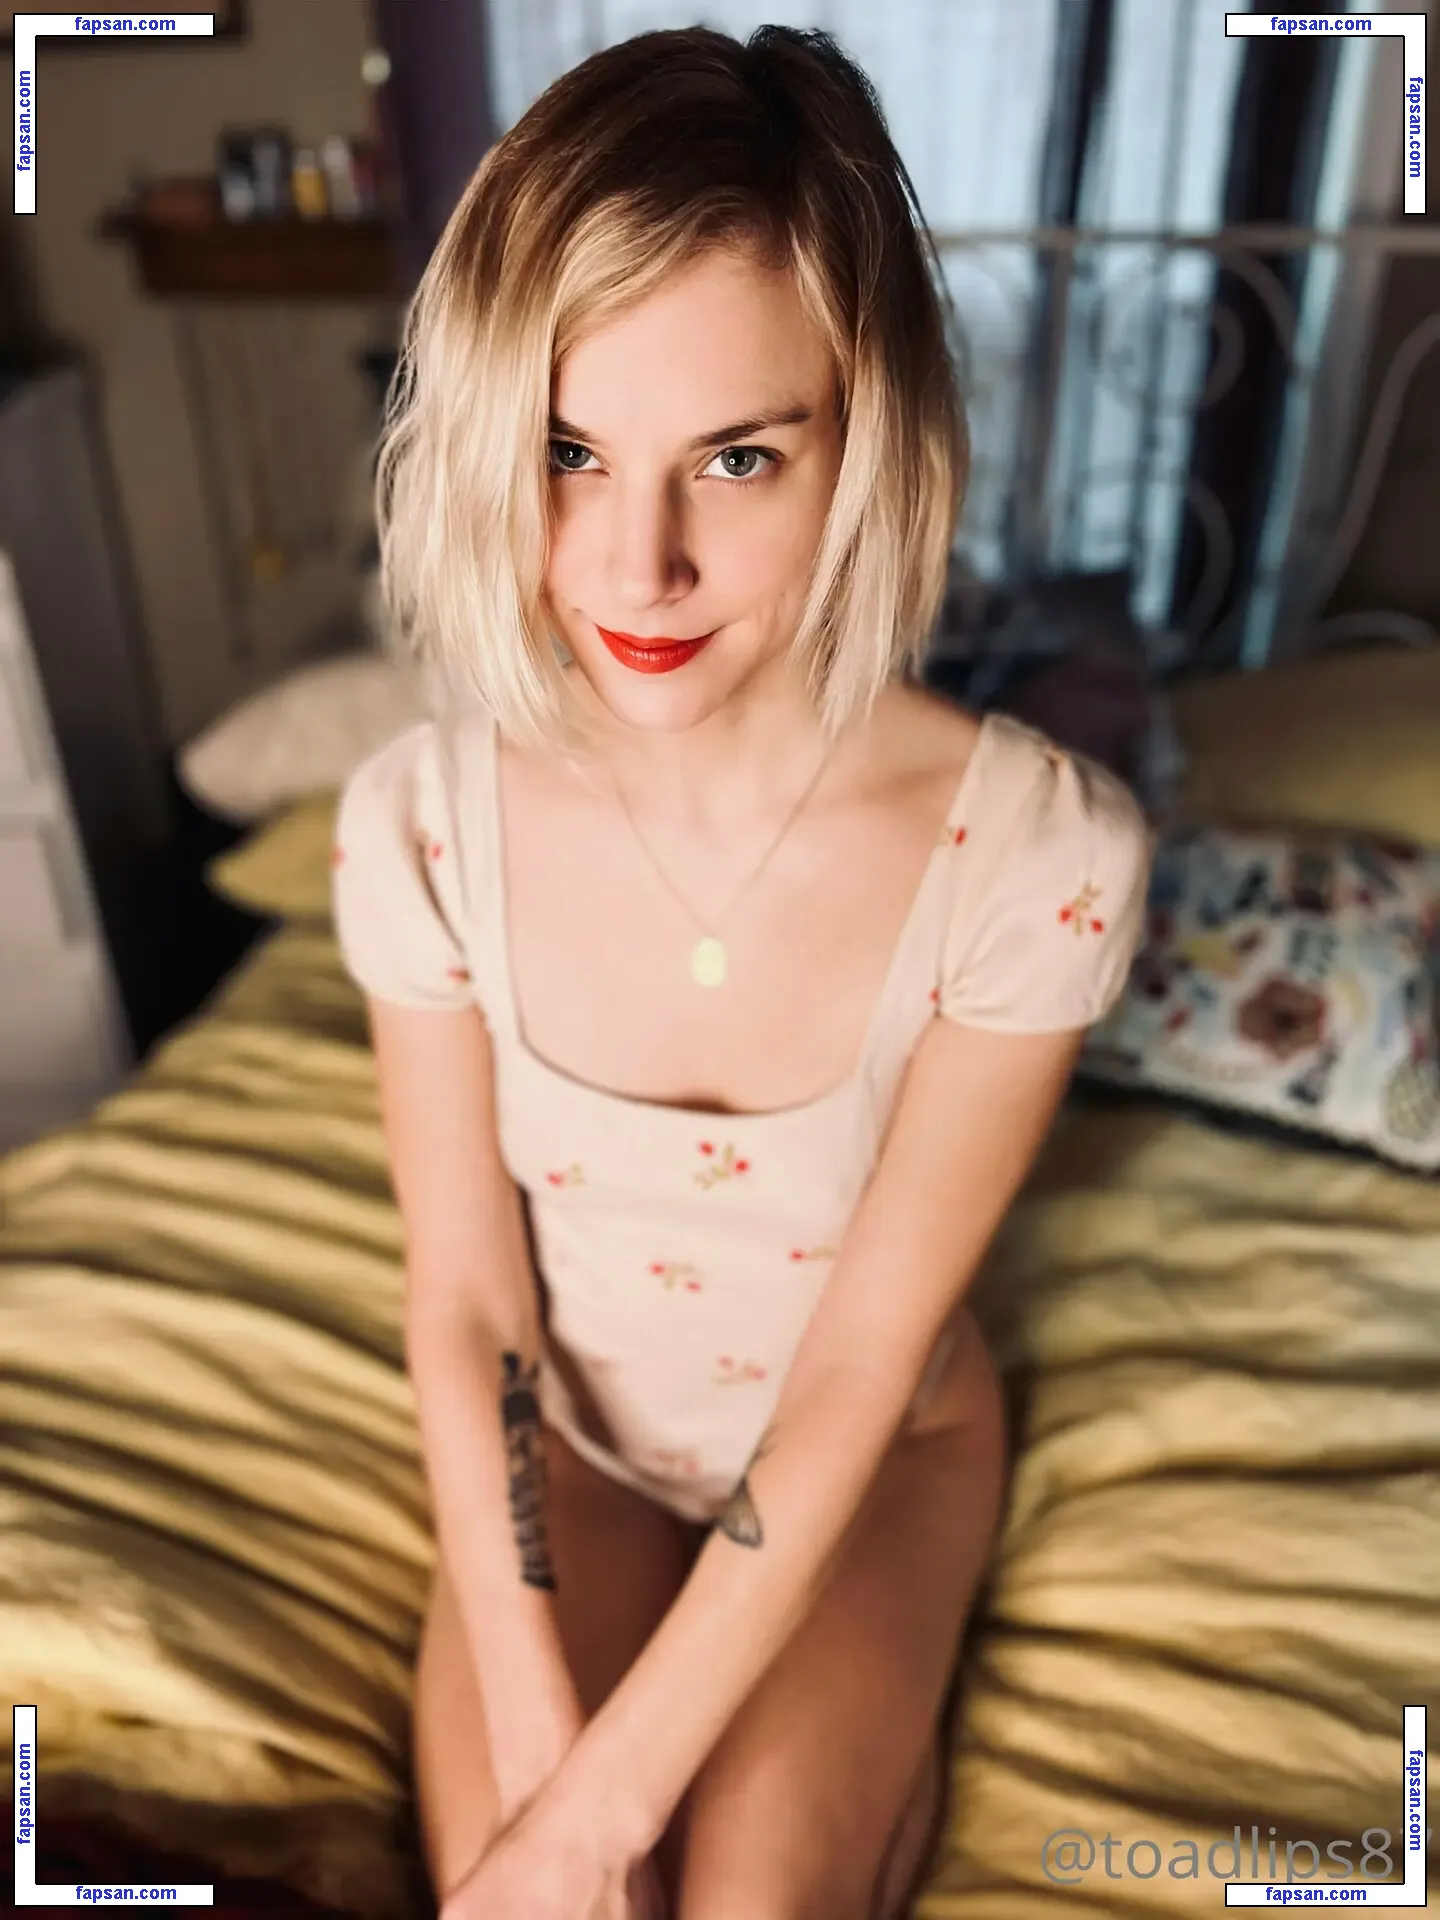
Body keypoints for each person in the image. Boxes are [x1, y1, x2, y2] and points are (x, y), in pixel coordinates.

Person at [331, 23, 1153, 1920]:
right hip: (578, 1457)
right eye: (569, 451)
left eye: (737, 457)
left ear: (865, 444)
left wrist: (614, 1815)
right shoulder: (422, 827)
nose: (639, 565)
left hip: (880, 1457)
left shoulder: (1038, 858)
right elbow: (470, 1310)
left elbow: (858, 1369)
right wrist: (548, 1762)